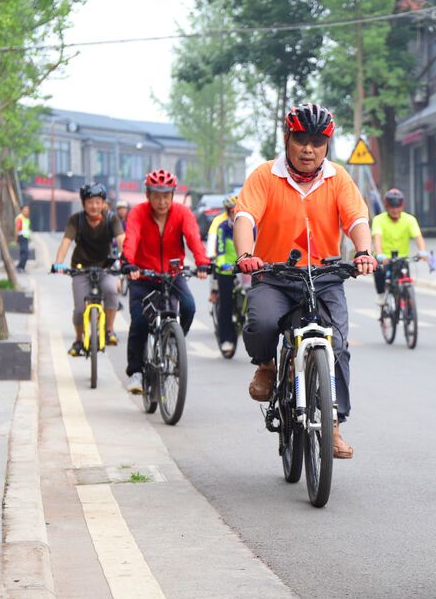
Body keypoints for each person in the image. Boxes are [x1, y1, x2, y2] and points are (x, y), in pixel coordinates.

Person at [232, 103, 376, 459]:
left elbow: (356, 219)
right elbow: (245, 216)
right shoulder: (265, 175)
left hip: (324, 277)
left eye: (317, 142)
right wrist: (246, 254)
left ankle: (334, 427)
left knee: (337, 345)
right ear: (287, 139)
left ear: (327, 145)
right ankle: (267, 366)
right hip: (274, 275)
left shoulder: (338, 177)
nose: (308, 149)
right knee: (263, 322)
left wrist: (363, 252)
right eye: (300, 140)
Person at [121, 169, 211, 394]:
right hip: (142, 275)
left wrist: (202, 262)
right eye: (157, 196)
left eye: (166, 196)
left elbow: (193, 238)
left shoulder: (182, 213)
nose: (162, 201)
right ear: (147, 195)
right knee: (140, 322)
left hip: (172, 274)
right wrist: (128, 263)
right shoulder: (138, 213)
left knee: (189, 307)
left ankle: (173, 341)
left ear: (172, 195)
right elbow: (131, 238)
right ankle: (136, 372)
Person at [52, 183, 125, 354]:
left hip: (106, 267)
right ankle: (78, 340)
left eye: (98, 202)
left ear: (104, 203)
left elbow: (122, 240)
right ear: (83, 203)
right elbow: (66, 242)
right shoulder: (76, 220)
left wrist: (127, 260)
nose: (94, 206)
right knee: (79, 309)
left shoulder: (111, 219)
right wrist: (58, 263)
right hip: (81, 268)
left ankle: (109, 330)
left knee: (111, 290)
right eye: (90, 202)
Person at [371, 188, 431, 306]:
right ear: (386, 206)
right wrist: (380, 255)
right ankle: (381, 294)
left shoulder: (410, 219)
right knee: (379, 271)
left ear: (402, 206)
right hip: (385, 258)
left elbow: (418, 237)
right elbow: (377, 239)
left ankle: (407, 306)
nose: (395, 210)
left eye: (398, 207)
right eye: (392, 207)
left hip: (402, 259)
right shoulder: (379, 220)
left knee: (405, 281)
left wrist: (423, 251)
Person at [207, 194, 241, 354]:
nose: (236, 214)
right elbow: (219, 249)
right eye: (233, 211)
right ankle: (225, 339)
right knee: (226, 304)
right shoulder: (222, 226)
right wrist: (222, 264)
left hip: (244, 269)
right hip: (226, 269)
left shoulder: (250, 225)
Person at [15, 204, 31, 272]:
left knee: (24, 253)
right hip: (21, 237)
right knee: (25, 253)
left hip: (25, 237)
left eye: (28, 210)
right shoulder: (20, 218)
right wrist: (16, 238)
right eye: (25, 210)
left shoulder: (26, 218)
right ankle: (19, 267)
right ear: (21, 211)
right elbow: (17, 228)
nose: (27, 212)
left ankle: (22, 268)